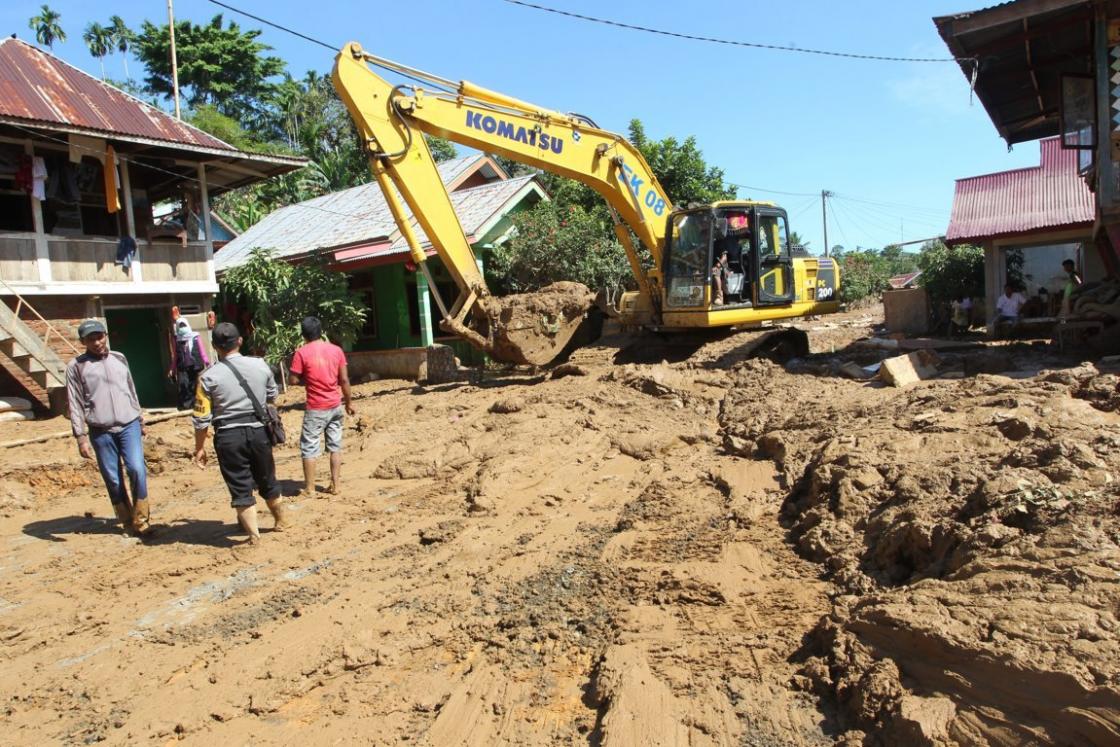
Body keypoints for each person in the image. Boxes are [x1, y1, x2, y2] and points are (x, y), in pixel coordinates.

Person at [192, 322, 290, 546]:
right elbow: (272, 396)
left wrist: (199, 448)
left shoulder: (207, 377)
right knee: (267, 477)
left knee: (240, 484)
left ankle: (254, 536)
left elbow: (201, 418)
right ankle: (281, 521)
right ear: (240, 341)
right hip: (259, 432)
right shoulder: (260, 365)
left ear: (215, 346)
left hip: (228, 436)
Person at [65, 319, 151, 535]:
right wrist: (81, 436)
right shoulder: (76, 366)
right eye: (91, 339)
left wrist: (139, 418)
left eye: (99, 337)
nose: (97, 342)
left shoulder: (120, 358)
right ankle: (125, 519)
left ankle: (142, 520)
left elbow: (131, 389)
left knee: (137, 469)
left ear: (106, 336)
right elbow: (74, 403)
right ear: (83, 341)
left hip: (128, 424)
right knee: (112, 477)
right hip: (100, 430)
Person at [289, 317, 354, 496]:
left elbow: (293, 380)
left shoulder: (301, 353)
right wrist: (348, 402)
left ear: (303, 334)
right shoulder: (336, 350)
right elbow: (344, 380)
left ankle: (310, 488)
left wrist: (305, 377)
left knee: (309, 447)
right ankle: (336, 486)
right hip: (335, 405)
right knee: (335, 446)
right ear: (321, 332)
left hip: (316, 408)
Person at [169, 318, 210, 410]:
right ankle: (186, 407)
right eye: (180, 326)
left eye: (184, 325)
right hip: (183, 367)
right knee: (184, 385)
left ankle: (194, 405)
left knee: (194, 385)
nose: (182, 328)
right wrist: (172, 369)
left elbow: (202, 351)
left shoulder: (195, 336)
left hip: (195, 366)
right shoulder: (177, 339)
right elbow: (175, 356)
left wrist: (207, 362)